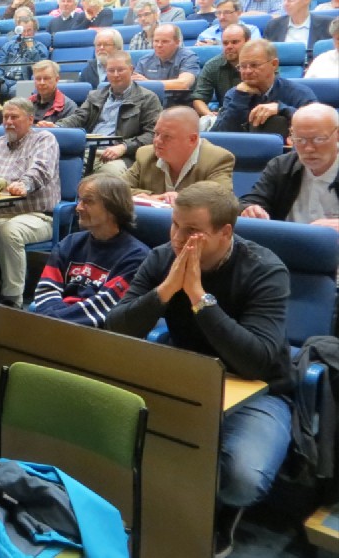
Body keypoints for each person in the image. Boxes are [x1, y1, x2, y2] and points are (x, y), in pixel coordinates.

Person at [106, 182, 292, 558]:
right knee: (125, 440)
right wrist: (165, 290)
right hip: (189, 379)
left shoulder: (266, 270)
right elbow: (117, 327)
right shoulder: (163, 258)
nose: (177, 238)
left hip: (258, 389)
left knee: (241, 476)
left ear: (225, 232)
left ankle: (223, 512)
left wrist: (198, 297)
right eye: (175, 225)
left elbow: (256, 360)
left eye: (192, 231)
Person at [32, 175, 149, 327]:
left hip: (96, 334)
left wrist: (54, 321)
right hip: (55, 324)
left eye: (88, 201)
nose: (78, 207)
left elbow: (105, 309)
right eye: (80, 200)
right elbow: (46, 289)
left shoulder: (136, 257)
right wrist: (52, 322)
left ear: (113, 207)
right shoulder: (70, 243)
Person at [0, 98, 60, 307]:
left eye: (14, 117)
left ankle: (12, 301)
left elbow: (41, 170)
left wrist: (25, 184)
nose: (8, 122)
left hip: (37, 215)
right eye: (5, 117)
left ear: (30, 119)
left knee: (8, 232)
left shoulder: (44, 139)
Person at [47, 52, 163, 177]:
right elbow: (78, 118)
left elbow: (152, 134)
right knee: (55, 168)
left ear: (131, 70)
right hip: (88, 151)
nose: (116, 75)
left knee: (107, 176)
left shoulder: (148, 98)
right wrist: (57, 127)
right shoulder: (96, 95)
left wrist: (124, 147)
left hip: (123, 155)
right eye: (111, 70)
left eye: (120, 70)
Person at [239, 103, 338, 231]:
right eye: (300, 140)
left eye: (319, 139)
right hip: (289, 241)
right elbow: (251, 201)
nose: (309, 148)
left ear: (337, 135)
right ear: (290, 136)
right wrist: (250, 209)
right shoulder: (281, 166)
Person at [122, 107, 235, 203]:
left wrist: (180, 199)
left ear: (192, 139)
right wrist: (154, 197)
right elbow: (118, 189)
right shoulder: (145, 154)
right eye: (156, 133)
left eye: (167, 136)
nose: (157, 141)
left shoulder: (218, 159)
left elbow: (220, 200)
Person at [212, 39, 316, 135]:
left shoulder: (298, 92)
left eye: (254, 65)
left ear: (274, 64)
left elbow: (316, 124)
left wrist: (282, 109)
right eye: (242, 66)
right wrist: (240, 99)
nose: (247, 71)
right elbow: (218, 136)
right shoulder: (234, 95)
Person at [191, 24, 249, 128]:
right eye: (225, 43)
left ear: (248, 42)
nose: (229, 46)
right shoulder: (213, 65)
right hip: (226, 119)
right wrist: (209, 114)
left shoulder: (262, 62)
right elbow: (198, 99)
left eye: (235, 42)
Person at [131, 24, 200, 106]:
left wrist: (148, 83)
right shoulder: (144, 61)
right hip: (151, 105)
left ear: (177, 42)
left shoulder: (188, 57)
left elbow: (183, 84)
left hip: (180, 106)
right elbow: (134, 87)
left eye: (165, 41)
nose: (159, 45)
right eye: (156, 41)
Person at [263, 0, 332, 52]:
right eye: (284, 0)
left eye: (291, 0)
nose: (286, 4)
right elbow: (267, 53)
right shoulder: (273, 26)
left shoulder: (327, 24)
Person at [0, 14, 46, 100]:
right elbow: (0, 65)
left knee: (15, 91)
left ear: (34, 31)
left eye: (29, 30)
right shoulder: (8, 46)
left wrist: (31, 49)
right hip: (6, 80)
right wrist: (0, 79)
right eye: (23, 31)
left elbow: (40, 69)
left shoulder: (40, 48)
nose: (26, 34)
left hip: (25, 82)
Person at [196, 0, 261, 45]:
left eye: (227, 12)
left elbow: (253, 51)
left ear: (238, 13)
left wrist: (216, 46)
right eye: (218, 13)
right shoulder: (206, 34)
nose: (222, 17)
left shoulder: (252, 30)